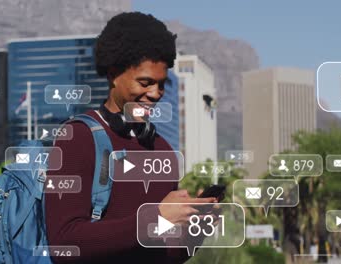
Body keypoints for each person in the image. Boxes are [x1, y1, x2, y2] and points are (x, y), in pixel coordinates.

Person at [45, 12, 216, 264]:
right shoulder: (77, 139)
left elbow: (168, 254)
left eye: (161, 84)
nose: (155, 94)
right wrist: (155, 218)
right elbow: (64, 243)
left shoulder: (163, 151)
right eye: (145, 82)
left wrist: (198, 228)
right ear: (113, 73)